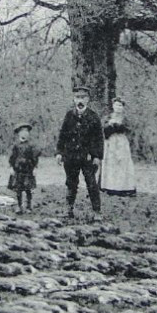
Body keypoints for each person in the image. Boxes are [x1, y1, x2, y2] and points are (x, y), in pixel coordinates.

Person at [57, 86, 104, 218]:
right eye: (77, 97)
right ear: (74, 99)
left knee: (91, 183)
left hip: (87, 157)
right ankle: (69, 209)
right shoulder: (69, 115)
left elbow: (99, 138)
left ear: (88, 99)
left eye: (83, 97)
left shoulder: (94, 117)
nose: (80, 100)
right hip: (71, 156)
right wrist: (59, 152)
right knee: (71, 183)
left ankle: (96, 211)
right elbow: (62, 135)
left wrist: (97, 156)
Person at [100, 97, 137, 197]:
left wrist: (119, 126)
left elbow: (129, 129)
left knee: (122, 163)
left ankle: (124, 187)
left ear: (123, 107)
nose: (118, 107)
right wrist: (109, 126)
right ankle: (110, 186)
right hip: (111, 142)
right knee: (111, 163)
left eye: (120, 105)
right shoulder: (108, 117)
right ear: (113, 106)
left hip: (121, 142)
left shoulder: (125, 118)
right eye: (116, 105)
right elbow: (102, 128)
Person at [7, 123, 39, 211]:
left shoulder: (31, 145)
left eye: (26, 132)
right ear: (19, 134)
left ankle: (29, 206)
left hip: (28, 169)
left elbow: (35, 157)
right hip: (18, 170)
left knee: (28, 188)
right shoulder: (16, 145)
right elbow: (12, 158)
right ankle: (19, 205)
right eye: (22, 132)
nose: (24, 134)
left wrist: (35, 168)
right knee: (18, 189)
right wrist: (11, 167)